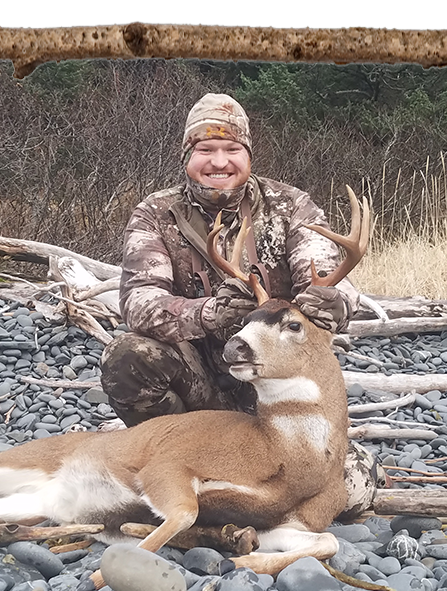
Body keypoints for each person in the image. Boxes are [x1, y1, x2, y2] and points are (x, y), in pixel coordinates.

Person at [100, 92, 363, 428]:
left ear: (248, 155)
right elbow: (139, 302)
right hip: (201, 381)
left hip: (278, 379)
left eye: (232, 150)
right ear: (187, 156)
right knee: (128, 357)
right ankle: (181, 456)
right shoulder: (156, 213)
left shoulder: (290, 205)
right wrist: (210, 312)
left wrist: (333, 303)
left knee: (355, 479)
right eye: (205, 150)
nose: (220, 162)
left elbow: (328, 276)